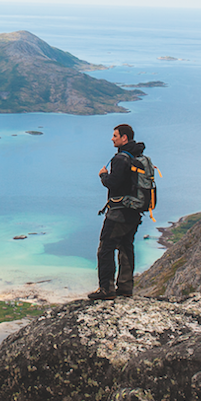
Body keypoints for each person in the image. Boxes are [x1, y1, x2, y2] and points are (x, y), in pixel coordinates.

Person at [90, 123, 145, 300]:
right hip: (134, 212)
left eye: (115, 135)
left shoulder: (120, 159)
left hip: (119, 212)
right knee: (126, 246)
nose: (112, 139)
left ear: (124, 138)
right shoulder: (137, 156)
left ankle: (106, 289)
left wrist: (103, 175)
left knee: (105, 248)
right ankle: (125, 287)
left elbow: (113, 183)